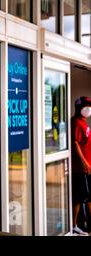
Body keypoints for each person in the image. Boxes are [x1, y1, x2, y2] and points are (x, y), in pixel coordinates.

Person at [71, 96, 91, 236]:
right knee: (80, 196)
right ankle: (74, 225)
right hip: (80, 168)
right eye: (86, 106)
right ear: (79, 108)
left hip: (87, 166)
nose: (88, 109)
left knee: (87, 196)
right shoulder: (76, 122)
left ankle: (86, 223)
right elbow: (75, 143)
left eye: (90, 106)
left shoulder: (84, 122)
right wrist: (84, 163)